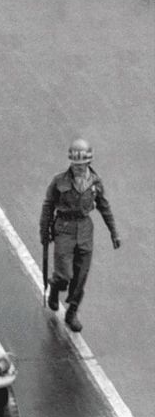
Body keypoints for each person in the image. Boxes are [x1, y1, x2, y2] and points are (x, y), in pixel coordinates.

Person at [39, 138, 121, 332]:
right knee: (64, 274)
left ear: (88, 163)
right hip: (64, 229)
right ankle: (55, 288)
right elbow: (48, 206)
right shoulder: (59, 181)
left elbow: (104, 207)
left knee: (81, 276)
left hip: (84, 229)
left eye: (82, 164)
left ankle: (72, 312)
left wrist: (114, 233)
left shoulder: (95, 182)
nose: (78, 168)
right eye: (75, 164)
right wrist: (44, 231)